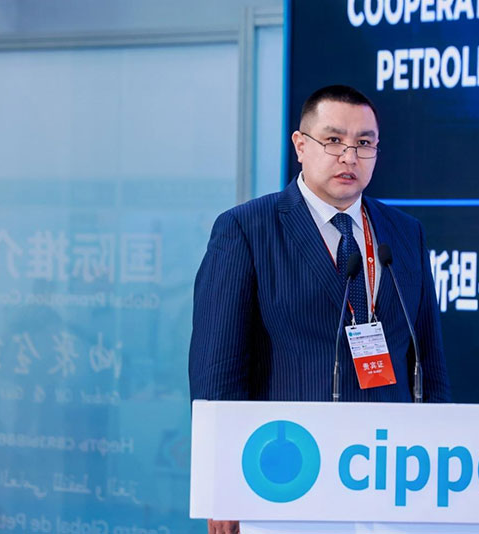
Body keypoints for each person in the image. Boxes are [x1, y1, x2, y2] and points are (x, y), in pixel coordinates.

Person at [189, 85, 451, 534]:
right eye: (333, 140)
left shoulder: (405, 233)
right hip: (287, 474)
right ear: (300, 146)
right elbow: (217, 371)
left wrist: (442, 458)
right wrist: (221, 484)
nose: (349, 156)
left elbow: (429, 361)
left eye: (364, 143)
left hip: (391, 476)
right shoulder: (247, 229)